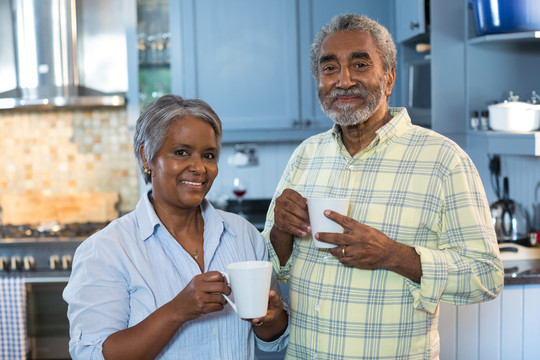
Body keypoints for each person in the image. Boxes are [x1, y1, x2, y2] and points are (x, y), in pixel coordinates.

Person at [262, 14, 504, 359]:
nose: (343, 81)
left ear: (388, 78)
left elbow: (487, 276)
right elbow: (277, 265)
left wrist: (394, 255)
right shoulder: (306, 155)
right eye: (329, 68)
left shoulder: (443, 160)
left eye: (359, 64)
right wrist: (281, 232)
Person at [63, 94, 289, 359]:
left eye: (208, 155)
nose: (199, 168)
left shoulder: (244, 235)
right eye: (181, 152)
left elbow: (271, 340)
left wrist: (272, 319)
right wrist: (177, 311)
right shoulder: (106, 250)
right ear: (147, 157)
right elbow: (92, 355)